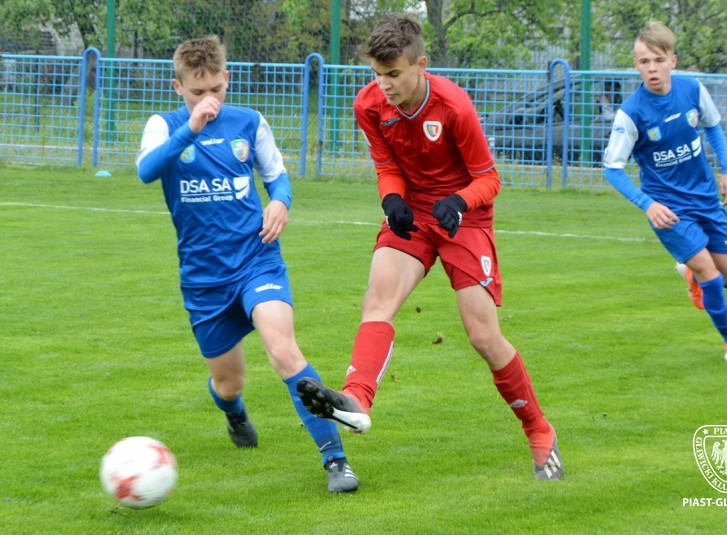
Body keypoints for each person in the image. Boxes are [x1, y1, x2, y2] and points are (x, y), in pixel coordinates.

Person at [297, 14, 564, 481]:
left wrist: (459, 202)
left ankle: (539, 430)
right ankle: (356, 398)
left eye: (393, 74)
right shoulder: (369, 104)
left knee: (483, 336)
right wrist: (391, 199)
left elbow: (489, 178)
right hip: (414, 215)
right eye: (377, 74)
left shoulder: (454, 105)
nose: (384, 85)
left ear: (420, 65)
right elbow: (387, 166)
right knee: (377, 300)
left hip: (465, 216)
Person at [135, 36, 358, 492]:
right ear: (178, 87)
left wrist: (280, 202)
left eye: (216, 89)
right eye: (198, 92)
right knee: (229, 383)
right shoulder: (164, 125)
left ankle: (336, 461)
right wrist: (191, 127)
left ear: (227, 79)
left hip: (257, 260)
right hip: (204, 278)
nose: (209, 100)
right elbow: (146, 170)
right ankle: (235, 415)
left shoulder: (250, 122)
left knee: (283, 350)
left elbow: (277, 177)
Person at [603, 21, 727, 366]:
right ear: (636, 65)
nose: (652, 68)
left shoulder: (692, 89)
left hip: (706, 199)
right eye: (644, 61)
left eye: (658, 60)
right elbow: (612, 168)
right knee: (711, 275)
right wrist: (648, 204)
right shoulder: (631, 113)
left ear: (672, 60)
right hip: (670, 210)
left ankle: (691, 274)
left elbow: (713, 127)